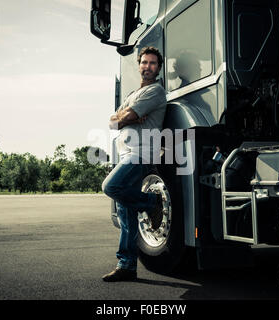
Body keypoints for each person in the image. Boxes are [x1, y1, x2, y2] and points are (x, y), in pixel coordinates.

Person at [101, 46, 167, 282]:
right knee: (125, 211)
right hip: (126, 152)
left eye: (152, 63)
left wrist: (126, 117)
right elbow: (112, 122)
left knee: (110, 187)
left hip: (140, 153)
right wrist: (126, 116)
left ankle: (151, 201)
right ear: (138, 65)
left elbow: (123, 118)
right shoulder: (132, 94)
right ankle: (127, 265)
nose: (147, 67)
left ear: (158, 68)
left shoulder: (156, 92)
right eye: (144, 62)